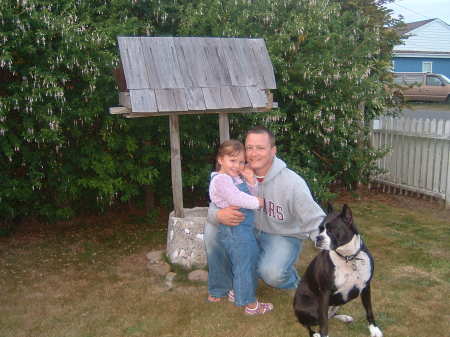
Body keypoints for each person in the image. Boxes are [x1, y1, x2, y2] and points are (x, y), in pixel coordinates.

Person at [206, 126, 325, 293]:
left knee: (272, 274)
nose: (253, 154)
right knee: (213, 229)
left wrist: (333, 245)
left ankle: (292, 280)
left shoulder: (292, 183)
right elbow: (215, 205)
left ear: (273, 150)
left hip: (282, 235)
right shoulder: (236, 173)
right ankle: (224, 283)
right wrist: (218, 214)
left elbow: (315, 220)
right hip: (250, 230)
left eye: (260, 148)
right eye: (249, 148)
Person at [207, 139, 274, 315]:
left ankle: (237, 291)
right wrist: (258, 203)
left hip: (243, 229)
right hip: (234, 229)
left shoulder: (235, 178)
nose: (237, 165)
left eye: (241, 162)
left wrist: (251, 180)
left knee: (248, 260)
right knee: (244, 264)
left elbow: (250, 192)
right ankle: (251, 305)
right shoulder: (221, 180)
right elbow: (237, 199)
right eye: (232, 160)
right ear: (220, 159)